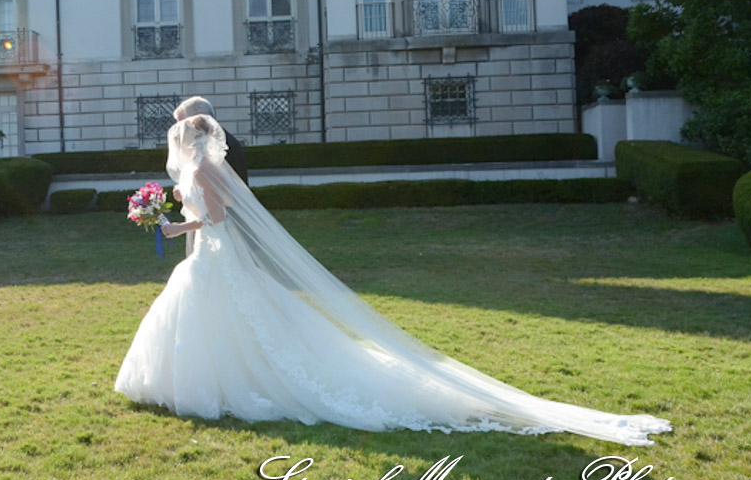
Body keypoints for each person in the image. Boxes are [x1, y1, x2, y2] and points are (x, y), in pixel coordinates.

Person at [114, 114, 673, 446]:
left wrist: (168, 221)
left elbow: (216, 218)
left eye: (179, 140)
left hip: (214, 258)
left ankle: (216, 387)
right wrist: (167, 220)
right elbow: (217, 214)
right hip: (214, 259)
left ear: (188, 141)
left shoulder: (201, 171)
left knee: (231, 324)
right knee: (240, 323)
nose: (178, 148)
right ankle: (211, 382)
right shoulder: (207, 168)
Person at [173, 96, 249, 186]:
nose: (180, 131)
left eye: (183, 125)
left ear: (196, 120)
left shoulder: (212, 145)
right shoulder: (223, 138)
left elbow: (216, 188)